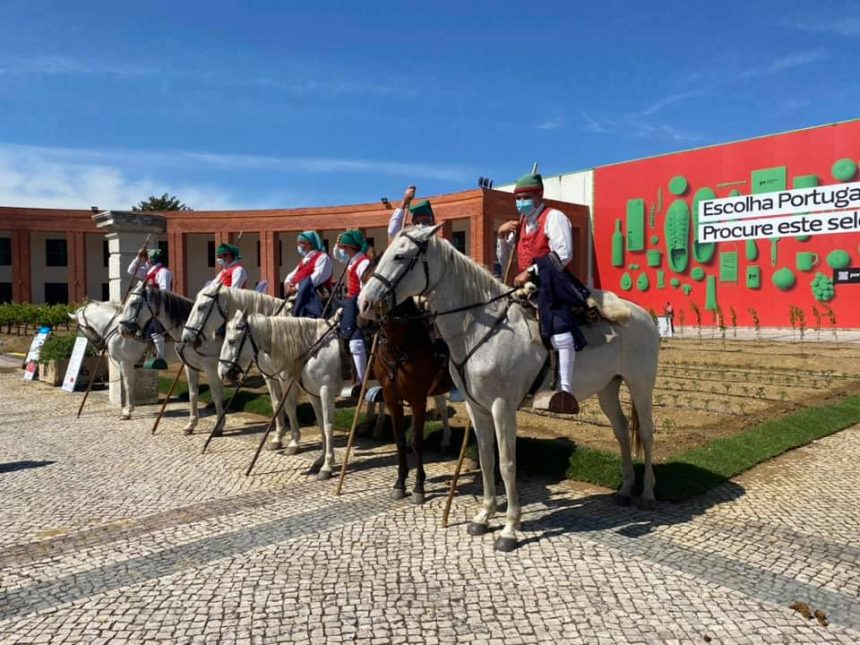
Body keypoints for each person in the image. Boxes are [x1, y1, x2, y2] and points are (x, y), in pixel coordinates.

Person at [496, 172, 588, 413]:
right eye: (517, 198)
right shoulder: (521, 224)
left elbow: (564, 254)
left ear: (540, 195)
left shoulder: (554, 217)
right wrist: (502, 237)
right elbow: (505, 261)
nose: (520, 202)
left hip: (552, 282)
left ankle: (565, 390)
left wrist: (532, 271)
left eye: (525, 197)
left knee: (560, 328)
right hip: (523, 286)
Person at [335, 229, 372, 395]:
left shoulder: (363, 262)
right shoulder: (352, 260)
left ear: (351, 247)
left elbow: (365, 288)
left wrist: (360, 309)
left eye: (344, 247)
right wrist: (337, 244)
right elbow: (338, 255)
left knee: (355, 342)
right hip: (350, 300)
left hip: (357, 302)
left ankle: (362, 381)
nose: (342, 250)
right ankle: (355, 378)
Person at [127, 248, 173, 364]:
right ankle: (143, 353)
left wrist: (153, 288)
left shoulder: (163, 272)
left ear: (152, 259)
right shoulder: (148, 272)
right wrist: (138, 257)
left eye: (147, 257)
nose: (146, 259)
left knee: (155, 328)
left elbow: (165, 292)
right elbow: (131, 270)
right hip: (147, 307)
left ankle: (160, 356)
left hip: (158, 307)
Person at [283, 230, 333, 318]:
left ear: (310, 244)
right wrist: (287, 284)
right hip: (299, 296)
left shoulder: (322, 257)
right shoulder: (305, 260)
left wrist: (296, 288)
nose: (298, 246)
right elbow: (292, 274)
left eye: (301, 243)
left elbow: (316, 278)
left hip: (313, 299)